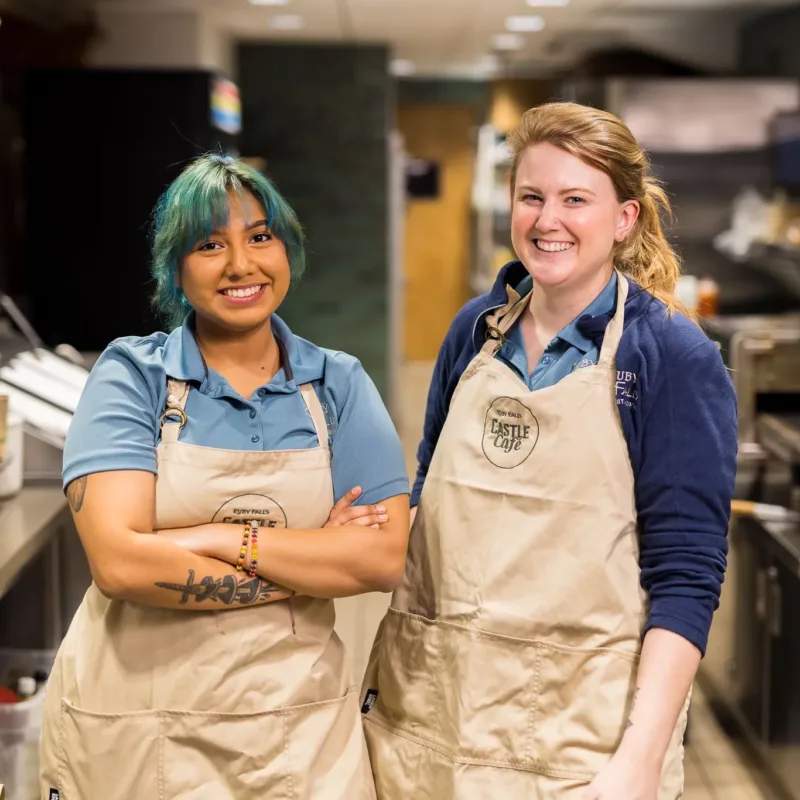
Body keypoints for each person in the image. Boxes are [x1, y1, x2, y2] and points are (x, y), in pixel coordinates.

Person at [360, 102, 737, 799]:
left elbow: (686, 575)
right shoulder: (476, 331)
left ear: (623, 219)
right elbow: (429, 496)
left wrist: (641, 758)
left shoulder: (668, 357)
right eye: (531, 196)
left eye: (575, 199)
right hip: (435, 722)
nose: (547, 219)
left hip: (576, 745)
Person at [40, 153, 410, 800]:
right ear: (176, 268)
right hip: (139, 731)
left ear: (286, 250)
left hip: (298, 735)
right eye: (211, 244)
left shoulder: (338, 384)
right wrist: (306, 562)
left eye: (260, 237)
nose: (242, 265)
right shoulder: (134, 377)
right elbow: (121, 566)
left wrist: (212, 539)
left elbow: (380, 559)